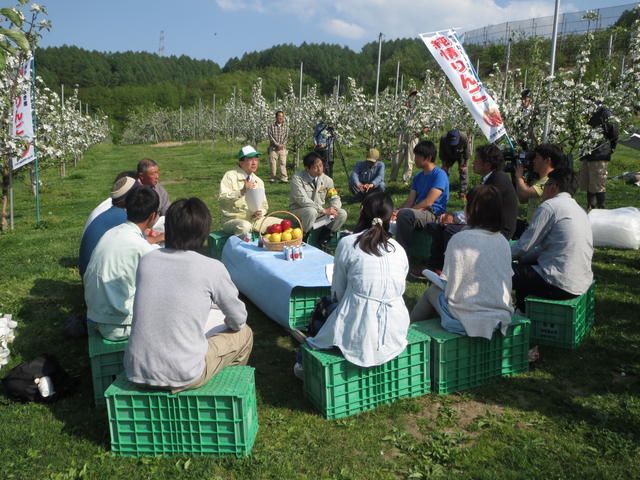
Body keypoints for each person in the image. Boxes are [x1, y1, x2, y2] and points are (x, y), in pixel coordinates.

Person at [124, 198, 253, 392]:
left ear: (168, 228)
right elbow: (238, 319)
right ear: (203, 232)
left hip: (136, 369)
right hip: (183, 373)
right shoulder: (211, 267)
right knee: (245, 334)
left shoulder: (147, 261)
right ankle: (223, 392)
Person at [305, 192, 410, 367]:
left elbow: (337, 292)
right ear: (391, 217)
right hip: (395, 325)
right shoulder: (398, 249)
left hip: (358, 325)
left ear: (361, 211)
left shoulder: (348, 243)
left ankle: (303, 363)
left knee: (323, 306)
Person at [410, 185, 513, 339]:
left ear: (471, 210)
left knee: (432, 292)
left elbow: (449, 286)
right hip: (500, 316)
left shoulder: (460, 239)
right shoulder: (503, 241)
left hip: (466, 318)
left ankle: (407, 331)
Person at [424, 144, 518, 272]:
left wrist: (455, 217)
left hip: (498, 229)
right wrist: (454, 215)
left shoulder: (497, 180)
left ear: (487, 165)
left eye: (477, 160)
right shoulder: (490, 178)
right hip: (485, 224)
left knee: (450, 230)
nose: (473, 163)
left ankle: (454, 270)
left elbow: (481, 210)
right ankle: (435, 267)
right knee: (439, 226)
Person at [511, 168, 593, 313]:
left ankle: (507, 311)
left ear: (553, 187)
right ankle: (522, 309)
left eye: (545, 186)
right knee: (525, 264)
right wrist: (523, 259)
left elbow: (523, 247)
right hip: (579, 282)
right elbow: (543, 248)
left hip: (558, 283)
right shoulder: (579, 209)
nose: (543, 191)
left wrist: (496, 253)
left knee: (501, 271)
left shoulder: (550, 207)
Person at [83, 186, 160, 341]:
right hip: (119, 327)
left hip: (97, 317)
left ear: (126, 209)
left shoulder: (112, 233)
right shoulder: (142, 248)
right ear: (152, 216)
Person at [392, 140, 449, 269]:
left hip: (432, 213)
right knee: (388, 212)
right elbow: (410, 200)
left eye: (417, 156)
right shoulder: (418, 177)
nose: (415, 159)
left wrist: (403, 212)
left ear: (428, 157)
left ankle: (402, 256)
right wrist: (396, 211)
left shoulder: (440, 175)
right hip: (418, 211)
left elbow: (429, 202)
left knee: (405, 215)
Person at [79, 175, 138, 277]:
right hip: (99, 284)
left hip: (90, 278)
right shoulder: (124, 218)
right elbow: (140, 246)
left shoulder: (111, 213)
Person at [289, 151, 347, 247]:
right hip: (299, 211)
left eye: (321, 165)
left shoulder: (327, 180)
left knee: (342, 214)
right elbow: (302, 200)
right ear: (307, 168)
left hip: (319, 213)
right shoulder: (297, 179)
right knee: (311, 211)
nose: (319, 169)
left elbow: (334, 197)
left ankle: (324, 238)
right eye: (315, 167)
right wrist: (323, 210)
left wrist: (335, 208)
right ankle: (303, 237)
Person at [219, 145, 280, 236]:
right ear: (241, 162)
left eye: (256, 159)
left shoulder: (258, 181)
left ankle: (270, 248)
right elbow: (222, 200)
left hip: (254, 219)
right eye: (250, 159)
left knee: (281, 224)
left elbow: (264, 205)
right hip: (233, 219)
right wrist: (242, 191)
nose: (254, 163)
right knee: (245, 227)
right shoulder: (230, 176)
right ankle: (237, 249)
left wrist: (260, 212)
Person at [512, 143, 563, 236]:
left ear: (547, 161)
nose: (533, 161)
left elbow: (525, 193)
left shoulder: (549, 180)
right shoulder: (538, 179)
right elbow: (522, 199)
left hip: (541, 230)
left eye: (537, 158)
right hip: (531, 224)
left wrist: (519, 177)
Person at [580, 105, 618, 210]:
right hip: (587, 153)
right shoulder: (586, 110)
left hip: (599, 153)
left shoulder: (604, 112)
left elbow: (613, 132)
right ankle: (590, 208)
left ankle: (601, 209)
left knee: (598, 184)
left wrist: (611, 148)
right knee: (589, 184)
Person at [439, 129, 471, 201]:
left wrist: (465, 165)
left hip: (461, 155)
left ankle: (463, 193)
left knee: (463, 172)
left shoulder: (464, 137)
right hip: (448, 155)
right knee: (444, 172)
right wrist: (444, 165)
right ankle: (441, 191)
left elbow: (467, 152)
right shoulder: (443, 138)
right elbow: (442, 152)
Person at [267, 110, 289, 184]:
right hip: (273, 148)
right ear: (276, 117)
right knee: (273, 163)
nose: (281, 118)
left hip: (282, 148)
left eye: (282, 116)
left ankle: (284, 178)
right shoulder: (271, 126)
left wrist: (282, 144)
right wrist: (277, 144)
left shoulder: (285, 127)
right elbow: (270, 137)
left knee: (283, 163)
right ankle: (273, 178)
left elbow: (286, 137)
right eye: (279, 116)